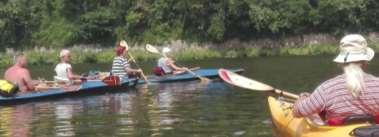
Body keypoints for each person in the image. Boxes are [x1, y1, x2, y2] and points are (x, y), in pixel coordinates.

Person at [293, 34, 379, 125]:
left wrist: (303, 98)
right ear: (366, 62)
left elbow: (298, 112)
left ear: (341, 63)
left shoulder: (327, 88)